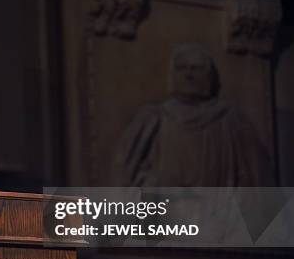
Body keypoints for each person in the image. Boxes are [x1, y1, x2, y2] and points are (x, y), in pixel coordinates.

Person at [113, 42, 271, 187]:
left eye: (196, 68)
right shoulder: (155, 117)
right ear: (172, 75)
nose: (188, 74)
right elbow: (125, 172)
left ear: (208, 76)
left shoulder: (230, 119)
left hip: (218, 212)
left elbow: (255, 175)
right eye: (182, 68)